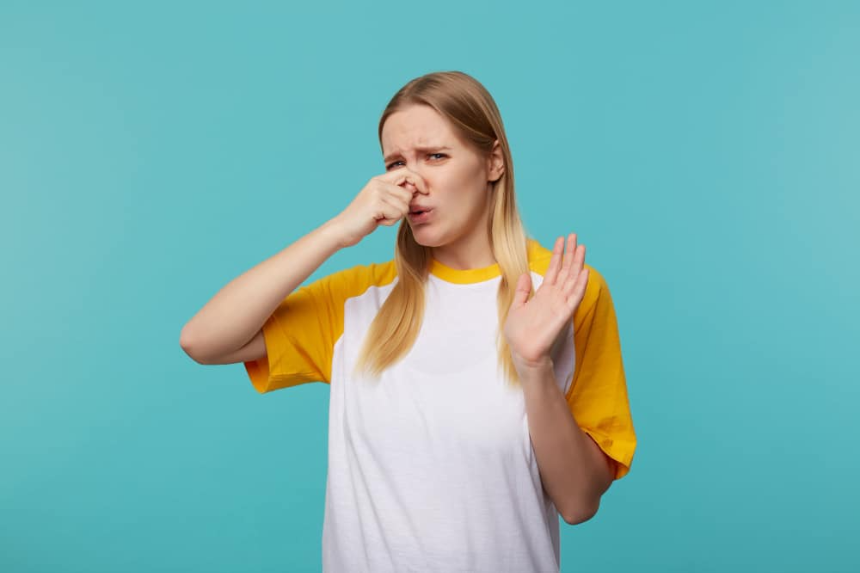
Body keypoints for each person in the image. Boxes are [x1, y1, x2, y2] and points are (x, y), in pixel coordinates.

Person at [180, 70, 636, 573]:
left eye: (435, 156)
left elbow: (578, 502)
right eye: (396, 163)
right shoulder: (360, 300)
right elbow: (202, 340)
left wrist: (534, 368)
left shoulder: (563, 292)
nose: (411, 182)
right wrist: (338, 231)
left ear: (493, 161)